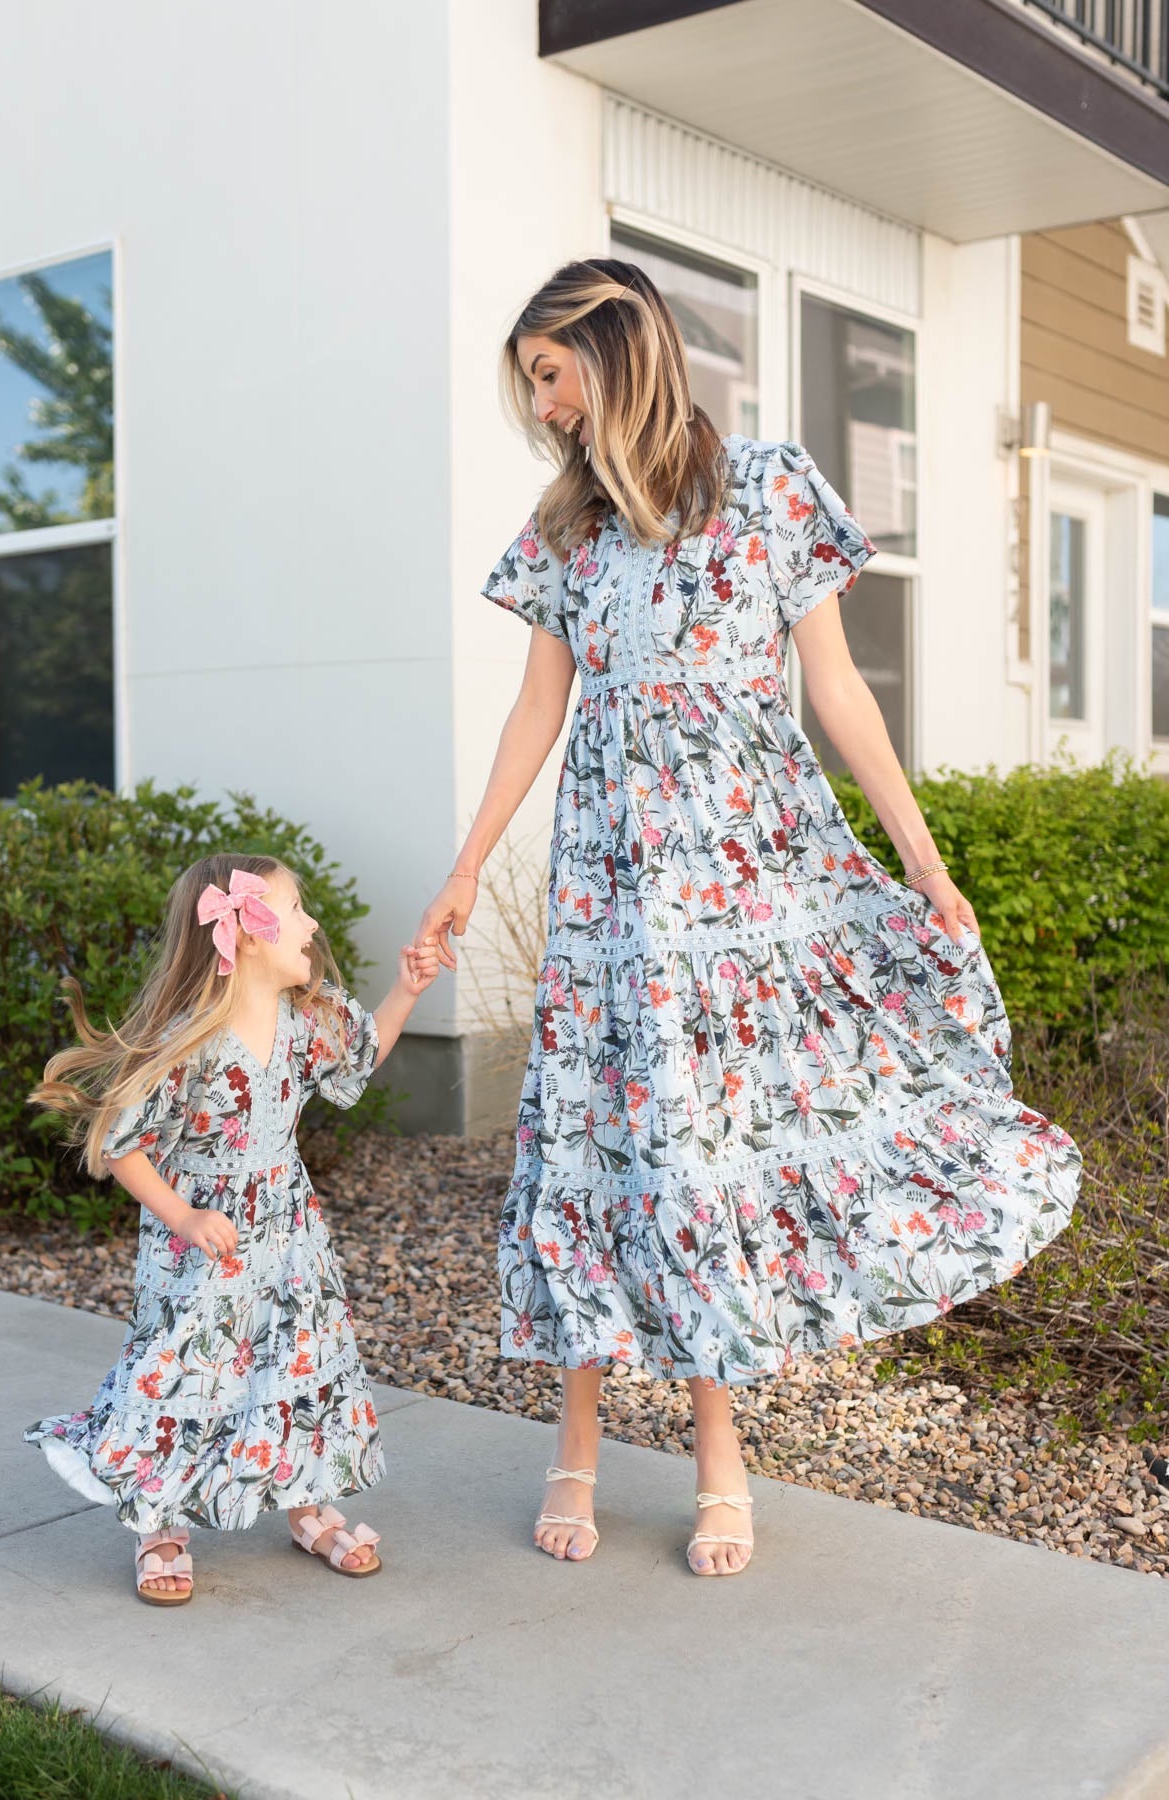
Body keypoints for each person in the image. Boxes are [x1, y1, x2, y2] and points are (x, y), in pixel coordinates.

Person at [416, 257, 1082, 1578]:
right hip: (612, 894)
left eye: (548, 375)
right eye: (530, 388)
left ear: (615, 346)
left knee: (706, 1154)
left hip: (746, 890)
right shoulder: (566, 537)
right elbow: (535, 715)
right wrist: (465, 868)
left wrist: (922, 858)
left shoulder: (774, 490)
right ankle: (579, 1431)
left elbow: (835, 692)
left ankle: (718, 1453)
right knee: (594, 1136)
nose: (543, 410)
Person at [25, 854, 440, 1604]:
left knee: (298, 1361)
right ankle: (160, 1520)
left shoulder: (309, 1021)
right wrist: (181, 1215)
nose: (312, 924)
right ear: (246, 934)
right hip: (203, 1249)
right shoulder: (189, 1042)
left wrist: (408, 989)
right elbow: (122, 1143)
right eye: (297, 909)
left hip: (288, 1236)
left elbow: (360, 1056)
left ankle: (305, 1502)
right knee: (191, 1372)